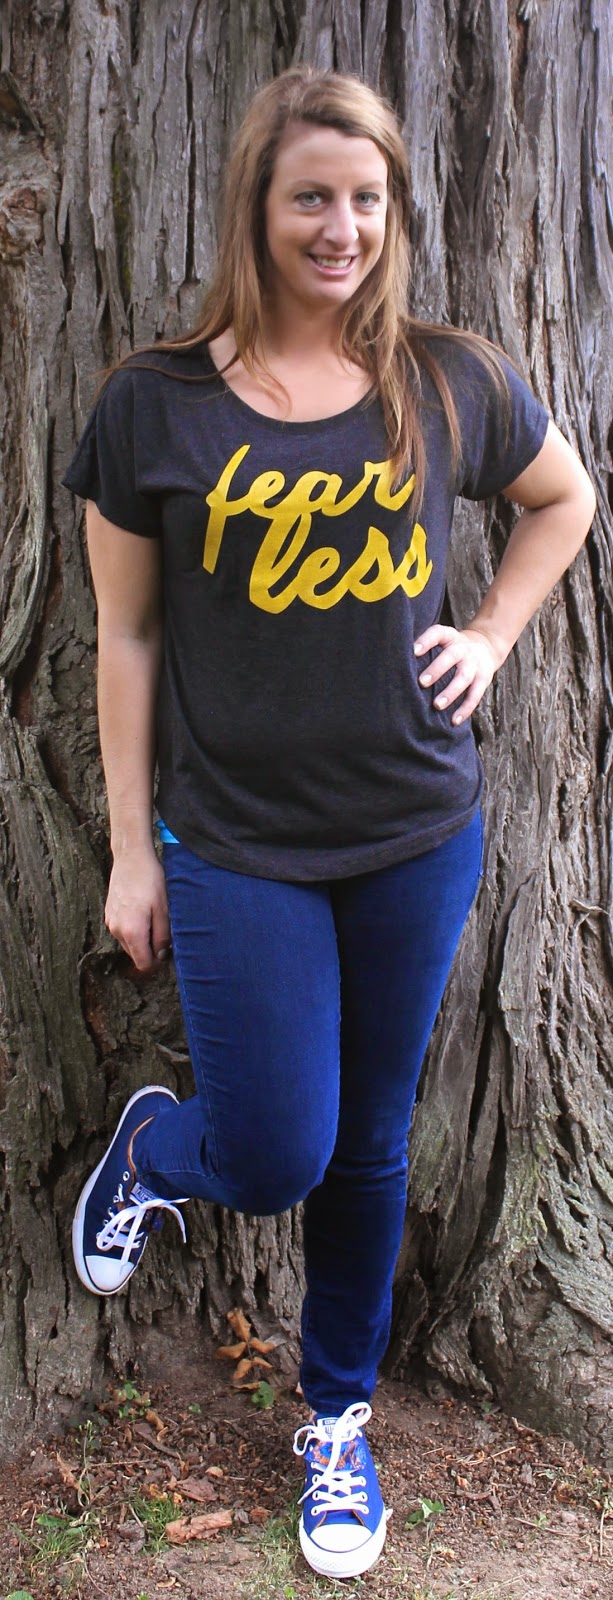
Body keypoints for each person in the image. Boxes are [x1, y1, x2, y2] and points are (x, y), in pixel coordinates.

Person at [62, 66, 595, 1582]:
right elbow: (125, 639)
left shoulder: (448, 380)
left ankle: (338, 1419)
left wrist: (489, 634)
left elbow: (563, 501)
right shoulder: (154, 404)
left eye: (367, 199)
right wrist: (129, 848)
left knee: (369, 1144)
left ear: (394, 213)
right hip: (234, 845)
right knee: (276, 1147)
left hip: (416, 832)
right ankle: (159, 1148)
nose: (341, 227)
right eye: (312, 196)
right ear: (257, 205)